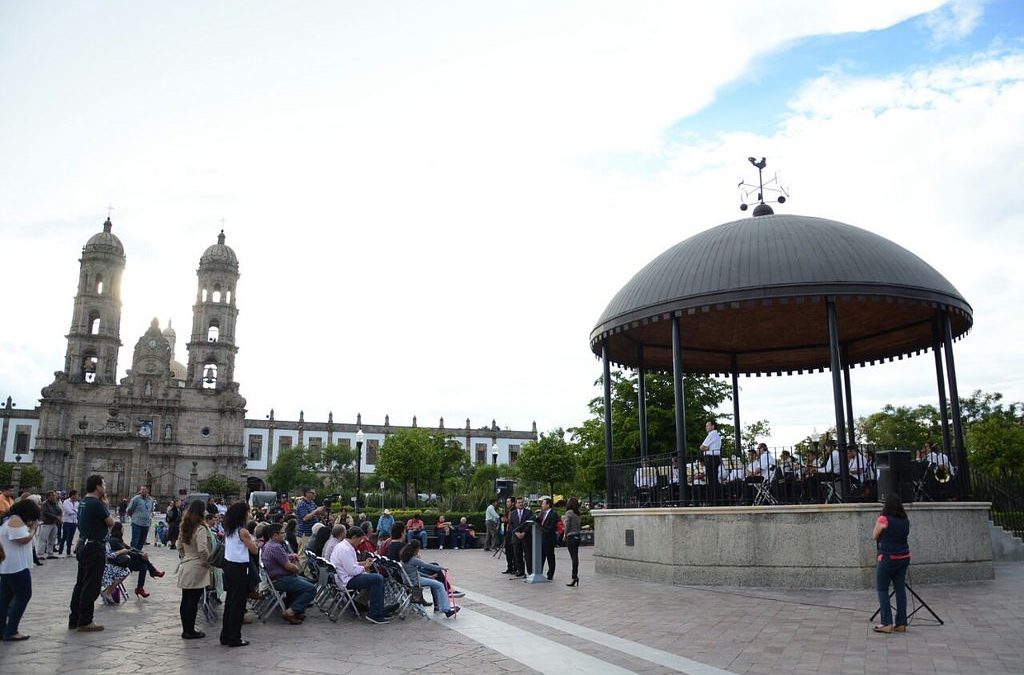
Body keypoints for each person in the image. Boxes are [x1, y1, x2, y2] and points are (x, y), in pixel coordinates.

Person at [69, 474, 115, 632]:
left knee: (81, 583)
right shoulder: (96, 504)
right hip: (94, 547)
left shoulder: (83, 502)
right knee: (92, 585)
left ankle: (74, 618)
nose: (105, 487)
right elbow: (111, 523)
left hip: (83, 544)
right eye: (104, 484)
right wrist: (106, 506)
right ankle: (85, 620)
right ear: (97, 486)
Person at [329, 526, 390, 624]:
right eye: (360, 539)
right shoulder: (345, 549)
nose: (360, 542)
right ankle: (374, 613)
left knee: (375, 578)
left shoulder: (343, 546)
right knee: (378, 579)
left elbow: (351, 564)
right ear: (354, 537)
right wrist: (365, 567)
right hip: (347, 580)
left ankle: (376, 609)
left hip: (344, 577)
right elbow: (352, 570)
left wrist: (362, 563)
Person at [0, 498, 41, 641]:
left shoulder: (10, 519)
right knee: (23, 596)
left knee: (5, 599)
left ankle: (2, 630)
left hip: (8, 566)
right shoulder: (15, 520)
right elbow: (22, 539)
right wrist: (33, 528)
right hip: (16, 567)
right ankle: (11, 630)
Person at [221, 502, 259, 647]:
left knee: (230, 602)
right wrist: (254, 542)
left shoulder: (230, 529)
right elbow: (254, 550)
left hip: (229, 565)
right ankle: (234, 637)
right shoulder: (243, 531)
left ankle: (226, 635)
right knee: (238, 604)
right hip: (240, 568)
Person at [260, 523, 316, 625]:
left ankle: (296, 610)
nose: (284, 535)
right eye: (282, 533)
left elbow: (282, 559)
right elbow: (288, 566)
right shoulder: (275, 547)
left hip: (277, 578)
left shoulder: (268, 545)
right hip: (281, 579)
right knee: (311, 588)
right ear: (275, 535)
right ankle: (291, 611)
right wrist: (297, 570)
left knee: (306, 582)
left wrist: (290, 557)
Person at [873, 493, 911, 634]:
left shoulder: (884, 519)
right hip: (904, 556)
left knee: (882, 589)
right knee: (900, 589)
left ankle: (886, 622)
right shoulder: (905, 519)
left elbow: (874, 535)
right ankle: (901, 623)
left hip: (888, 557)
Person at [176, 499, 210, 639]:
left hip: (186, 563)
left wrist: (185, 557)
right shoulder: (200, 528)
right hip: (197, 564)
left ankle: (186, 629)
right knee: (194, 599)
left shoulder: (184, 526)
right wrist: (207, 561)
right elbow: (202, 548)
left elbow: (179, 545)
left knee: (186, 598)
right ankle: (190, 630)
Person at [399, 540, 460, 618]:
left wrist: (428, 577)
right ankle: (446, 609)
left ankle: (441, 607)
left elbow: (414, 571)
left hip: (409, 580)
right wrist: (442, 568)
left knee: (436, 584)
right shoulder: (413, 560)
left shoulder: (404, 559)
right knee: (440, 585)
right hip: (416, 581)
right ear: (416, 549)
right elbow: (427, 566)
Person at [107, 522, 164, 598]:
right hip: (119, 564)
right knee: (143, 560)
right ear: (119, 530)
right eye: (122, 528)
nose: (123, 529)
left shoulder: (118, 540)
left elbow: (130, 548)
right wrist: (141, 555)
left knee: (143, 566)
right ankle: (152, 572)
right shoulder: (114, 540)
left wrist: (141, 552)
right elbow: (128, 552)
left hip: (124, 562)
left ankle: (140, 588)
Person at [507, 496, 534, 578]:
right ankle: (520, 571)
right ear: (516, 504)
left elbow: (530, 524)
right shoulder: (513, 513)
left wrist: (524, 532)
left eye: (522, 502)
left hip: (526, 537)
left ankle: (530, 571)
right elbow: (511, 525)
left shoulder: (529, 513)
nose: (521, 504)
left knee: (528, 555)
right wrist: (516, 533)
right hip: (516, 537)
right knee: (517, 554)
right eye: (519, 503)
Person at [294, 488, 324, 558]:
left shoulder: (312, 503)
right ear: (307, 493)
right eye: (312, 493)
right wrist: (316, 511)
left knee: (310, 555)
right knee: (303, 555)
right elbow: (305, 518)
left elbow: (317, 513)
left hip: (311, 533)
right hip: (304, 534)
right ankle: (301, 568)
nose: (314, 494)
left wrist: (323, 508)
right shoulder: (302, 504)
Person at [700, 420, 723, 504]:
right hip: (715, 457)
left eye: (707, 426)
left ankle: (713, 499)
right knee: (714, 478)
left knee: (711, 479)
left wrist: (707, 448)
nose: (706, 427)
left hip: (711, 457)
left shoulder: (712, 434)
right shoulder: (717, 435)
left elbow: (702, 447)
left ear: (713, 426)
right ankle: (716, 499)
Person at [126, 486, 155, 550]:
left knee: (141, 542)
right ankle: (133, 555)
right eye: (141, 489)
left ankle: (138, 556)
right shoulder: (136, 499)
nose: (142, 491)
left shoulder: (150, 500)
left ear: (148, 490)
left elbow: (151, 510)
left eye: (144, 489)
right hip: (137, 523)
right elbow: (129, 509)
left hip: (146, 524)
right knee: (135, 541)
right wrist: (134, 517)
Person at [562, 497, 581, 587]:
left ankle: (574, 577)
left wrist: (565, 535)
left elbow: (567, 525)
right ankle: (575, 576)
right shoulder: (577, 514)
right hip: (577, 536)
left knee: (573, 558)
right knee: (575, 557)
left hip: (571, 536)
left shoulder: (568, 513)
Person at [537, 497, 557, 580]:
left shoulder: (553, 514)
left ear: (548, 504)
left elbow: (550, 527)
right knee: (541, 556)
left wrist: (541, 528)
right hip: (541, 539)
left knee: (550, 557)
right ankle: (539, 573)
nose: (542, 505)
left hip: (549, 539)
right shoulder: (542, 513)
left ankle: (550, 574)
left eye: (543, 503)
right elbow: (538, 521)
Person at [38, 490, 62, 560]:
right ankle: (40, 554)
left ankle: (50, 553)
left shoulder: (55, 503)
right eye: (53, 495)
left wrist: (60, 516)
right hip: (46, 523)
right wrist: (56, 517)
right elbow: (46, 513)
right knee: (43, 539)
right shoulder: (44, 504)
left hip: (54, 523)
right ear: (49, 496)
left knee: (52, 539)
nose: (55, 497)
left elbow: (59, 510)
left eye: (55, 495)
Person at [59, 490, 79, 556]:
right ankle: (60, 551)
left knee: (71, 538)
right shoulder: (66, 502)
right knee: (64, 537)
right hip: (67, 522)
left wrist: (74, 510)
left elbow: (79, 511)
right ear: (72, 495)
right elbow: (68, 511)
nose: (77, 496)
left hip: (74, 522)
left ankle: (68, 552)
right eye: (76, 495)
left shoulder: (77, 503)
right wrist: (75, 511)